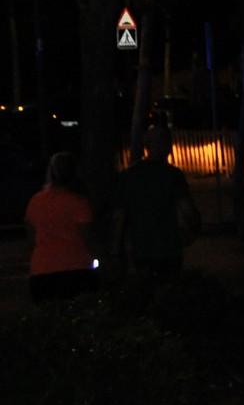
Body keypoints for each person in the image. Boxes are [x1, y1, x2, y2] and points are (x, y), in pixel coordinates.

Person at [114, 126, 198, 279]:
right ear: (168, 147)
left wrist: (116, 247)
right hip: (169, 248)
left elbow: (120, 215)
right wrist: (191, 232)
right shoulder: (172, 175)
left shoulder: (129, 176)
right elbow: (187, 210)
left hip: (140, 248)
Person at [25, 151, 95, 302]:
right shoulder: (78, 201)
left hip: (43, 269)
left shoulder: (36, 201)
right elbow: (87, 237)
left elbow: (31, 238)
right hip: (76, 267)